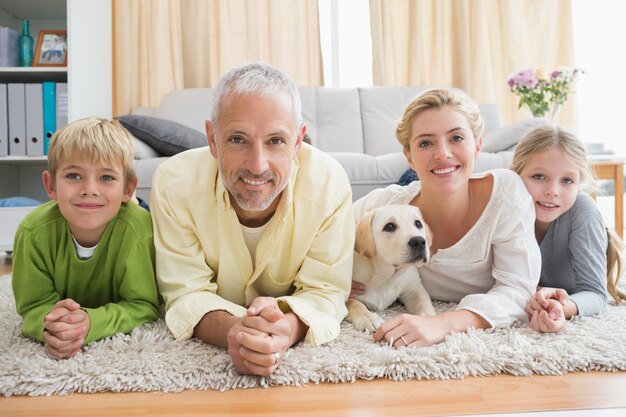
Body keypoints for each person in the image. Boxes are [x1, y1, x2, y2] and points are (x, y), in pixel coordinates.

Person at [150, 61, 354, 376]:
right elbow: (185, 293)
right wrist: (237, 332)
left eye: (276, 141)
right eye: (237, 140)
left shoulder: (330, 187)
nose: (257, 166)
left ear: (298, 142)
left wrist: (286, 329)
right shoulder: (173, 185)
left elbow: (326, 292)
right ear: (212, 139)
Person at [351, 88, 541, 348]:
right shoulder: (387, 205)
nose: (442, 153)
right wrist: (330, 280)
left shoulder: (505, 195)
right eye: (426, 143)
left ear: (477, 146)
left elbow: (518, 291)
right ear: (408, 156)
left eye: (456, 138)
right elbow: (319, 233)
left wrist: (444, 322)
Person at [12, 117, 160, 360]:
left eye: (106, 178)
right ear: (51, 185)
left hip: (129, 216)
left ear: (128, 188)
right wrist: (52, 326)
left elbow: (143, 306)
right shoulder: (32, 232)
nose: (89, 189)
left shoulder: (138, 229)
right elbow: (32, 307)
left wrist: (91, 322)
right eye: (74, 176)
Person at [511, 125, 626, 333]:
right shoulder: (505, 208)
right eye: (538, 176)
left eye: (567, 180)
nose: (552, 191)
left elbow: (595, 294)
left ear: (580, 184)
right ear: (514, 175)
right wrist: (535, 293)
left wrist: (561, 307)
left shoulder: (582, 210)